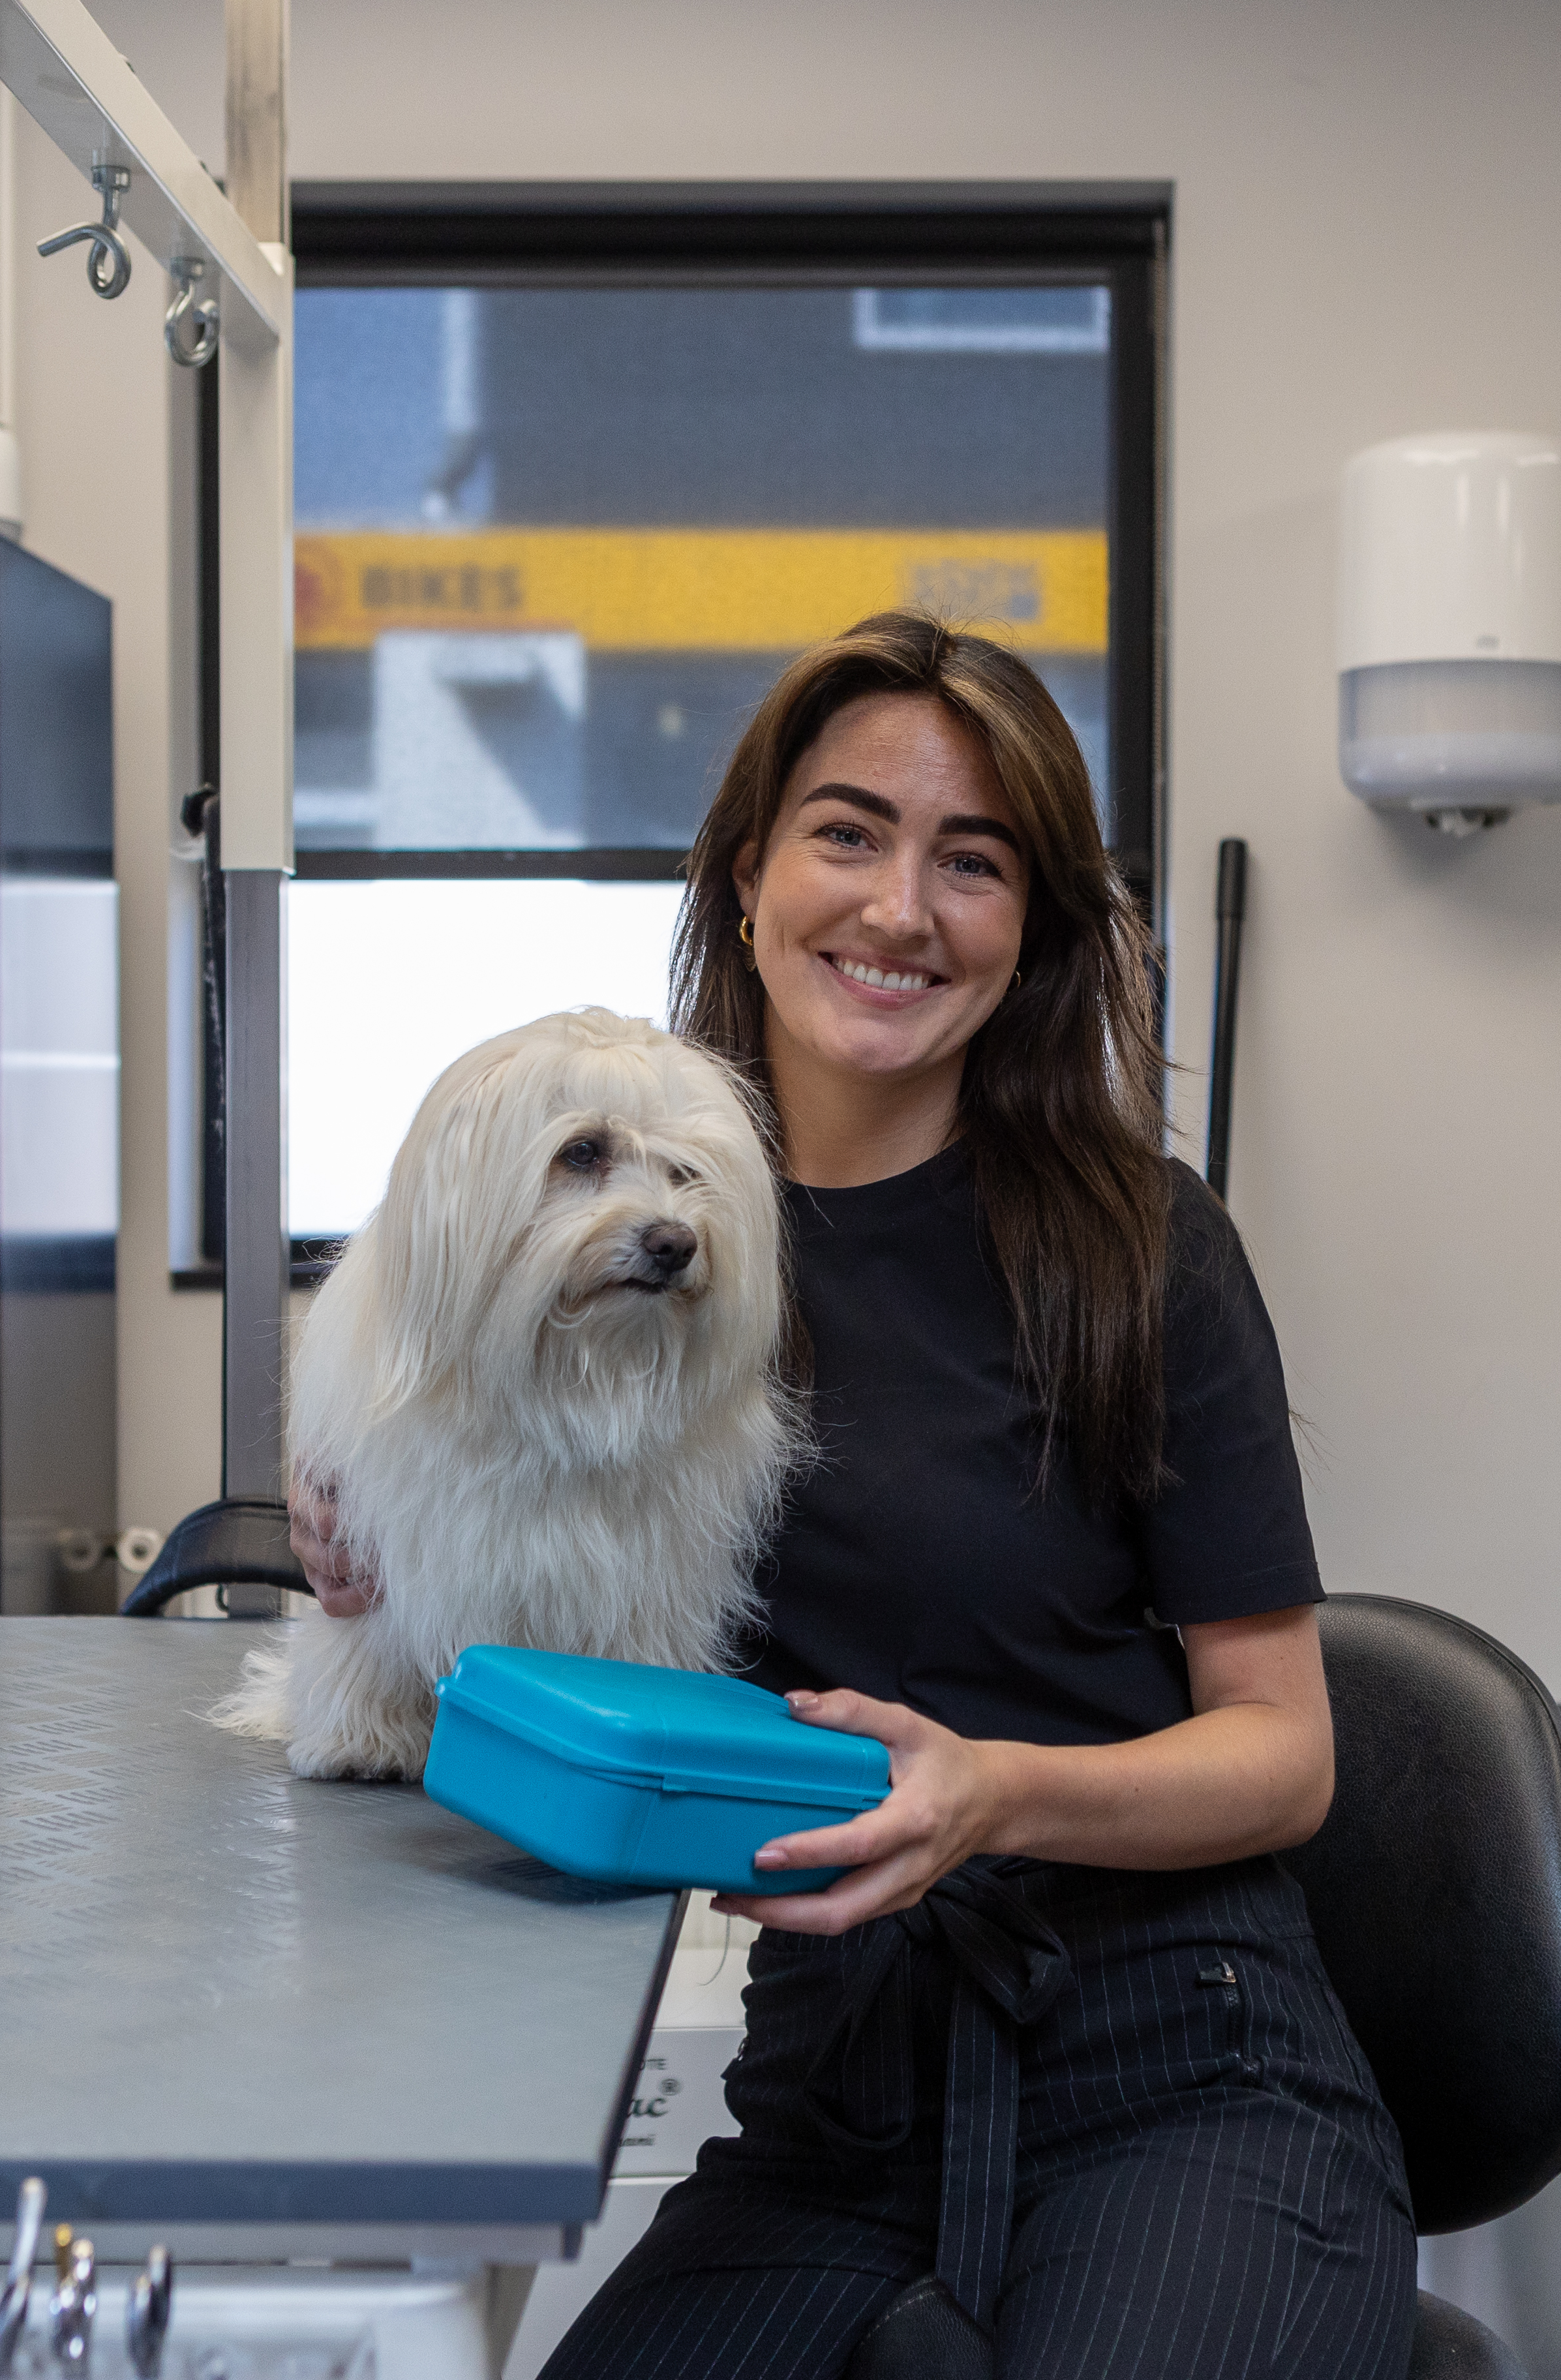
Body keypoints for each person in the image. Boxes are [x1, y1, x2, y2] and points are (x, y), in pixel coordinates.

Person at [299, 611, 1413, 2378]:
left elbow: (1285, 1753)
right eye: (848, 834)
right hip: (839, 2096)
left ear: (1029, 930)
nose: (899, 908)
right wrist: (354, 1514)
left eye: (972, 863)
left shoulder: (1140, 1252)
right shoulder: (623, 1253)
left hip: (1178, 2062)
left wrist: (994, 1795)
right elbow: (502, 1567)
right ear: (750, 876)